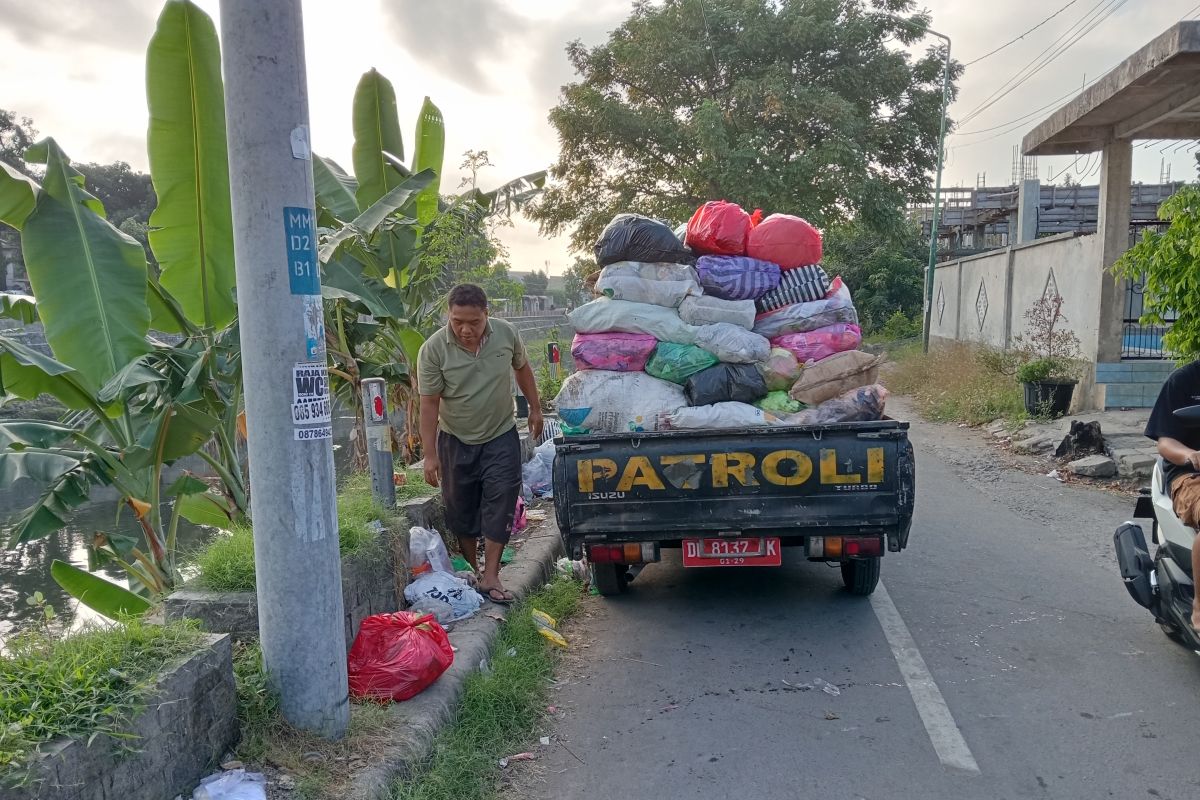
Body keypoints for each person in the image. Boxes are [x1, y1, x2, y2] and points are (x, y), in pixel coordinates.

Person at [417, 284, 543, 604]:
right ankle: (472, 570)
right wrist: (430, 455)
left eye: (473, 321)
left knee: (500, 500)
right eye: (458, 320)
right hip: (456, 437)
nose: (465, 329)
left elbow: (522, 368)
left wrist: (535, 408)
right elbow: (429, 403)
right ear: (449, 314)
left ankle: (491, 575)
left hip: (501, 432)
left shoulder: (506, 334)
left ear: (487, 314)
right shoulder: (433, 349)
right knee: (460, 506)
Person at [1144, 358, 1200, 631]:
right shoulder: (1184, 381)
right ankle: (1199, 608)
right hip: (1190, 476)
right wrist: (1191, 455)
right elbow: (1165, 442)